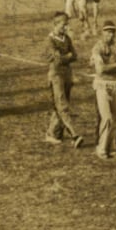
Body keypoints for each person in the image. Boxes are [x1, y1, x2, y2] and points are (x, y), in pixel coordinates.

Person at [45, 11, 85, 147]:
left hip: (67, 74)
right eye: (63, 24)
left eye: (67, 24)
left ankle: (52, 133)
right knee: (62, 106)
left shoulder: (67, 38)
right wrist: (66, 57)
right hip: (56, 75)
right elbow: (57, 60)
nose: (66, 27)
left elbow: (74, 55)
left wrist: (66, 57)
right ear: (55, 24)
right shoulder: (50, 40)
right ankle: (74, 135)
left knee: (62, 104)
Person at [91, 20, 116, 158]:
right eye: (107, 32)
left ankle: (112, 147)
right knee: (106, 118)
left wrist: (111, 67)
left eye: (112, 32)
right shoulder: (97, 48)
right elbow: (100, 69)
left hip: (115, 85)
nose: (110, 35)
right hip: (102, 86)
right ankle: (101, 148)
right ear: (102, 33)